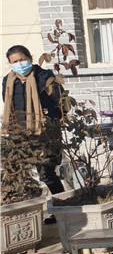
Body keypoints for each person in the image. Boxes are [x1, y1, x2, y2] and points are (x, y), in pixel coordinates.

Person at [2, 44, 65, 195]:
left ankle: (62, 203)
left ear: (30, 58)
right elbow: (9, 105)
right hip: (20, 133)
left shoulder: (45, 77)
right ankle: (31, 205)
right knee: (18, 173)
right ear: (10, 63)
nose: (19, 64)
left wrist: (49, 120)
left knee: (46, 173)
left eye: (22, 59)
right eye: (15, 61)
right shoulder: (9, 81)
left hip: (45, 132)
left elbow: (61, 104)